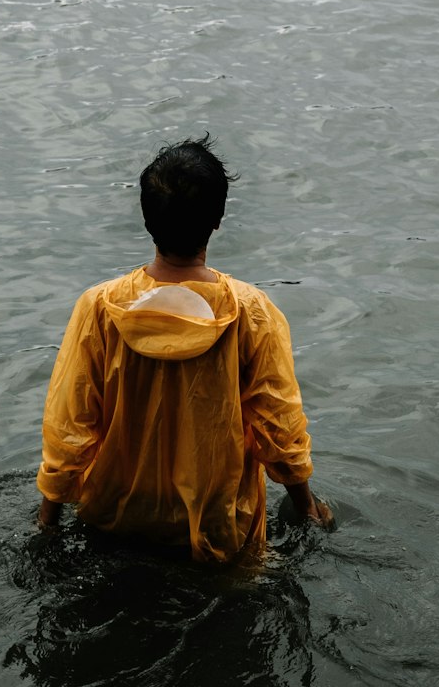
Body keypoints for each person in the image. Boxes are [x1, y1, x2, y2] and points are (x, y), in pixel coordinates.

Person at [36, 135, 331, 564]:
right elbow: (278, 425)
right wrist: (306, 507)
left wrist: (47, 522)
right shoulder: (251, 312)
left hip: (114, 518)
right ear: (218, 219)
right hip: (217, 527)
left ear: (146, 218)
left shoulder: (100, 307)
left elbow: (70, 426)